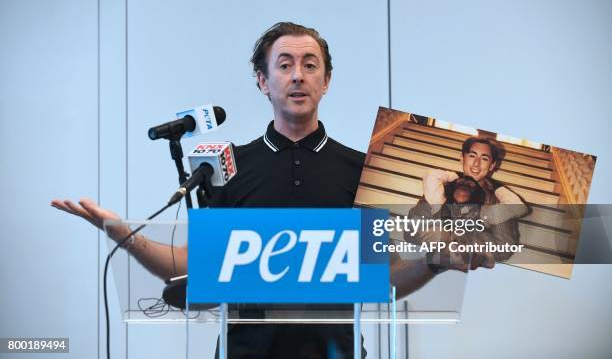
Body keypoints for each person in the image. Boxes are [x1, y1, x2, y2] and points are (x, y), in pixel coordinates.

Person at [52, 22, 446, 358]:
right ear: (263, 81)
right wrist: (123, 233)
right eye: (285, 65)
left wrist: (435, 259)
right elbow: (189, 268)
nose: (298, 76)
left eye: (310, 66)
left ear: (326, 82)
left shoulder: (361, 170)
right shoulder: (227, 168)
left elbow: (384, 279)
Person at [408, 136, 529, 270]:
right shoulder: (443, 187)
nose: (476, 164)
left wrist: (453, 235)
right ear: (462, 158)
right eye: (472, 156)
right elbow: (412, 229)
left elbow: (503, 248)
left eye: (484, 158)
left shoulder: (499, 200)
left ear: (492, 165)